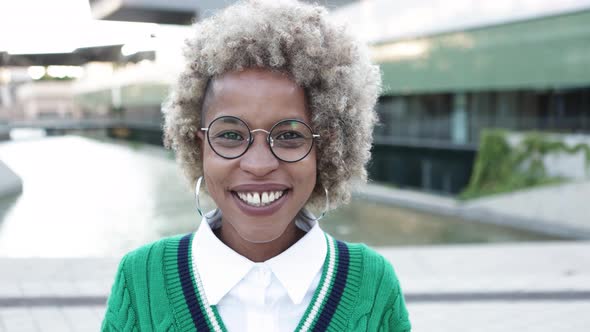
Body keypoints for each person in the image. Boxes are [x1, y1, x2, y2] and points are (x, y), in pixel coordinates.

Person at [101, 0, 411, 331]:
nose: (259, 164)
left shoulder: (373, 284)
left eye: (290, 135)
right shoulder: (140, 279)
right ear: (198, 144)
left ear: (326, 146)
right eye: (231, 135)